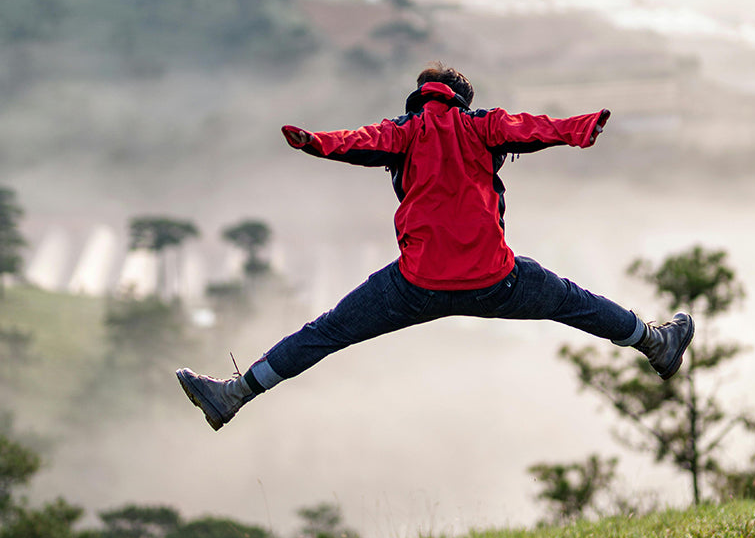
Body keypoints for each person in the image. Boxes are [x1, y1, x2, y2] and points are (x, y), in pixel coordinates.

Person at [176, 62, 694, 431]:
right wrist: (579, 129)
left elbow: (357, 140)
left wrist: (314, 140)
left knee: (327, 331)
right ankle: (654, 342)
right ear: (461, 97)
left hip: (414, 285)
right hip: (497, 280)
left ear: (419, 96)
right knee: (571, 302)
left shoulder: (402, 132)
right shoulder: (482, 125)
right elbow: (531, 127)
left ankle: (233, 396)